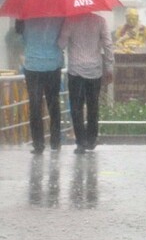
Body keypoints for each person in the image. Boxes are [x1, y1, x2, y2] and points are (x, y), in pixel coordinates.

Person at [57, 12, 115, 154]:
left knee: (76, 108)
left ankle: (81, 142)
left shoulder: (70, 20)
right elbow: (108, 44)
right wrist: (109, 67)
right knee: (93, 105)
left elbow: (61, 44)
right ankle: (91, 139)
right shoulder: (100, 21)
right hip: (94, 70)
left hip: (75, 70)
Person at [17, 17, 65, 154]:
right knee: (53, 103)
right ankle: (55, 141)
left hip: (33, 65)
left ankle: (38, 144)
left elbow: (23, 39)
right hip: (53, 64)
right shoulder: (58, 19)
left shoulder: (26, 18)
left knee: (35, 105)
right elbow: (62, 41)